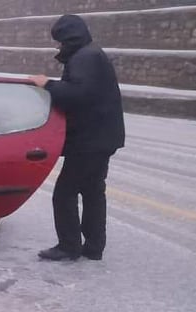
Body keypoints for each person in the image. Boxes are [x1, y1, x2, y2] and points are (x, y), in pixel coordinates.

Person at [28, 14, 125, 261]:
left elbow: (77, 94)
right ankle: (94, 247)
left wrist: (46, 84)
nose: (59, 47)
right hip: (102, 138)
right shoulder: (91, 53)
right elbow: (85, 91)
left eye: (60, 41)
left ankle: (69, 245)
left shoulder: (85, 57)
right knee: (93, 191)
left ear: (70, 36)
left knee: (64, 193)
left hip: (89, 141)